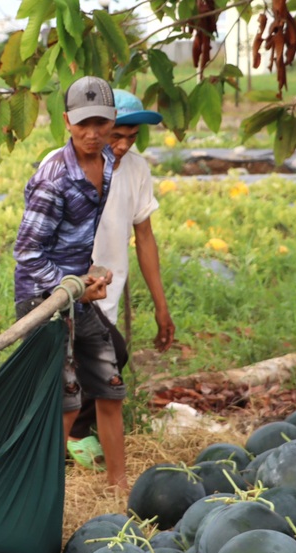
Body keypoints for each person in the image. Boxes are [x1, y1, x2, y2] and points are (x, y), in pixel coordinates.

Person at [13, 75, 129, 490]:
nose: (92, 133)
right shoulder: (54, 178)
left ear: (112, 120)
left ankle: (119, 488)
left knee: (110, 386)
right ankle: (43, 494)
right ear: (66, 121)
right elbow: (26, 251)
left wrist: (88, 278)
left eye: (101, 122)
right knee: (65, 402)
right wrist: (72, 285)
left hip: (78, 294)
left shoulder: (110, 162)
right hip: (42, 300)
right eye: (83, 124)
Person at [67, 89, 176, 462]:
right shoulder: (63, 166)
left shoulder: (136, 169)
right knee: (111, 354)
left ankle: (69, 439)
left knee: (96, 364)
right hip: (73, 289)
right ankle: (73, 436)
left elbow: (144, 237)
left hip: (107, 292)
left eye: (132, 137)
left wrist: (161, 307)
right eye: (118, 135)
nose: (124, 145)